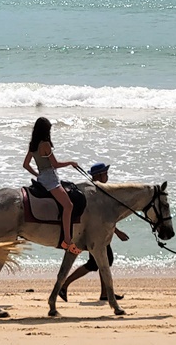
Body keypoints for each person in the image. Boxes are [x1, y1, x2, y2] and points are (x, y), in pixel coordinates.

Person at [58, 162, 129, 301]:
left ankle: (104, 293)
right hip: (94, 235)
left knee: (104, 261)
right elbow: (98, 219)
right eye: (105, 173)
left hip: (100, 234)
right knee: (95, 264)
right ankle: (64, 285)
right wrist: (118, 232)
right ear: (99, 175)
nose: (107, 176)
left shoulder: (100, 190)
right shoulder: (95, 193)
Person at [22, 116, 82, 254]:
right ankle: (67, 240)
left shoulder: (33, 145)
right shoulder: (45, 145)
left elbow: (25, 165)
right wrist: (71, 163)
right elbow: (55, 164)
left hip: (43, 178)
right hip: (51, 180)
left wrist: (37, 175)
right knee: (69, 205)